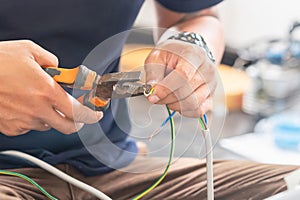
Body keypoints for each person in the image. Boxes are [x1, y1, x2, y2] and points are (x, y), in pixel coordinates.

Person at [0, 0, 298, 199]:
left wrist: (192, 45)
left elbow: (195, 16)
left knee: (291, 187)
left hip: (109, 167)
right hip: (7, 173)